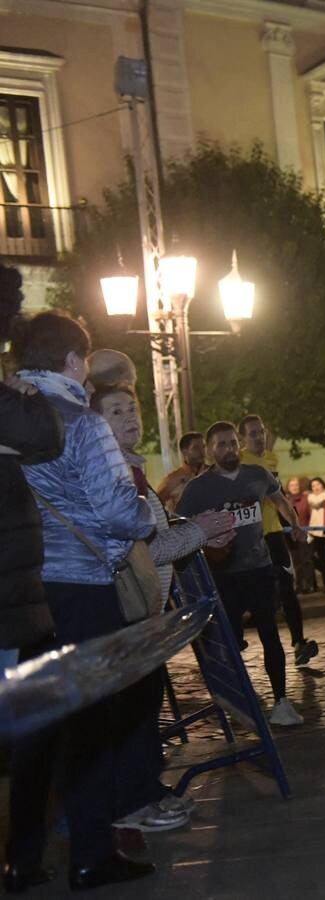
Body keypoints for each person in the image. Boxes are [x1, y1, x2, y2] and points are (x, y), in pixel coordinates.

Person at [12, 312, 158, 889]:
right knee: (92, 726)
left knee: (36, 726)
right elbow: (117, 511)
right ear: (74, 362)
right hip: (83, 587)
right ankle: (91, 853)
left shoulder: (11, 417)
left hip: (24, 591)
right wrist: (147, 517)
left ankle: (22, 859)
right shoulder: (82, 422)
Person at [89, 382, 234, 830]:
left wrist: (199, 529)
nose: (130, 417)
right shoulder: (111, 475)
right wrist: (197, 533)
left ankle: (146, 791)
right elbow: (136, 553)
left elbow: (150, 537)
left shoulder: (129, 468)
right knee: (134, 707)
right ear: (95, 425)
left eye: (132, 409)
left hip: (143, 608)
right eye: (116, 412)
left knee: (144, 703)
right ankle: (134, 801)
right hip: (127, 610)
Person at [0, 265, 64, 895]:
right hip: (13, 598)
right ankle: (22, 857)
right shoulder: (8, 398)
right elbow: (42, 438)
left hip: (15, 594)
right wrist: (28, 394)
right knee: (32, 730)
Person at [176, 421, 305, 725]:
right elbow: (181, 523)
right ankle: (235, 698)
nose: (229, 449)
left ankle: (281, 701)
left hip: (259, 568)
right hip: (223, 574)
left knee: (270, 633)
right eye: (221, 444)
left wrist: (295, 523)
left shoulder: (257, 475)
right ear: (210, 449)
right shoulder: (198, 488)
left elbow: (279, 497)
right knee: (230, 638)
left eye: (233, 443)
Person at [240, 414, 317, 665]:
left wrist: (294, 524)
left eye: (261, 432)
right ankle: (242, 644)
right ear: (242, 438)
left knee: (288, 587)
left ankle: (299, 643)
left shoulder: (271, 459)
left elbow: (279, 497)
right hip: (249, 539)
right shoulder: (239, 462)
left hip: (273, 534)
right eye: (253, 433)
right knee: (255, 595)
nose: (259, 437)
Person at [156, 431, 206, 514]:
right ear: (184, 451)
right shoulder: (172, 479)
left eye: (203, 447)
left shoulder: (213, 472)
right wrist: (168, 490)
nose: (202, 452)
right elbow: (156, 504)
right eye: (196, 448)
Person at [285, 477, 317, 593]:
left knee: (306, 560)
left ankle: (308, 585)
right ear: (288, 487)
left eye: (296, 485)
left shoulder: (306, 499)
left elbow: (312, 516)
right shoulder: (285, 501)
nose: (294, 487)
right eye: (292, 485)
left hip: (306, 534)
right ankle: (298, 585)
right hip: (291, 537)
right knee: (296, 561)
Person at [306, 477, 325, 591]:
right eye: (313, 486)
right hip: (312, 532)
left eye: (318, 484)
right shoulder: (310, 497)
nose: (315, 487)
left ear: (322, 485)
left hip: (323, 532)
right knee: (310, 557)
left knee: (324, 558)